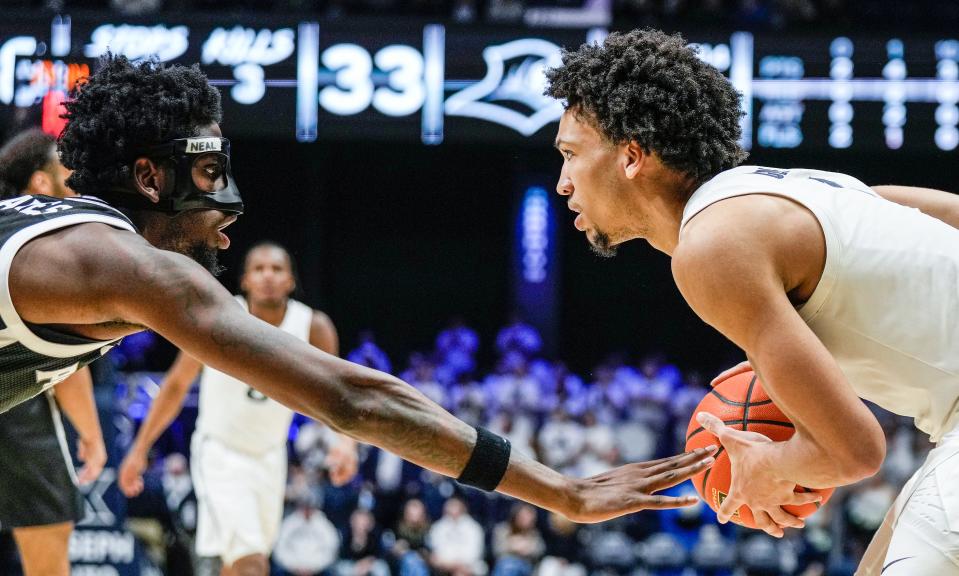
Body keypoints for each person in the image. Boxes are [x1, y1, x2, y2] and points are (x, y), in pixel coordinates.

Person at [0, 54, 714, 536]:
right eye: (211, 173)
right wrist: (565, 493)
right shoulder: (129, 266)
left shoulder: (76, 250)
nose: (230, 211)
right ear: (152, 179)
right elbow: (355, 401)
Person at [544, 28, 959, 573]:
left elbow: (856, 452)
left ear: (631, 156)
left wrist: (767, 466)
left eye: (571, 155)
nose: (562, 183)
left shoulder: (709, 249)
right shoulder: (809, 187)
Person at [117, 240, 358, 576]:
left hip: (270, 456)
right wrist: (140, 449)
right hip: (220, 451)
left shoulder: (313, 326)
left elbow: (337, 395)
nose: (268, 276)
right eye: (259, 269)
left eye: (277, 269)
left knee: (237, 561)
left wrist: (345, 444)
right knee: (252, 560)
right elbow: (175, 385)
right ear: (245, 280)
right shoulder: (219, 317)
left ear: (290, 280)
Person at [0, 128, 107, 576]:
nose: (77, 179)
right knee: (47, 556)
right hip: (19, 407)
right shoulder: (53, 248)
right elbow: (63, 357)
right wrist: (92, 434)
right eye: (68, 170)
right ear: (42, 183)